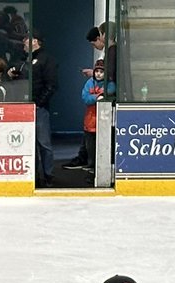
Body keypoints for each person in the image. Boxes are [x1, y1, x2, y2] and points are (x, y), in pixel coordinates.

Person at [8, 31, 57, 187]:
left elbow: (52, 85)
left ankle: (48, 175)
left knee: (43, 143)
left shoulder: (47, 59)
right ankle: (33, 175)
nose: (23, 42)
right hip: (23, 107)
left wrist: (39, 103)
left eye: (26, 39)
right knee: (28, 143)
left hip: (38, 107)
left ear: (35, 41)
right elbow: (18, 76)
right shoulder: (23, 60)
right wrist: (11, 73)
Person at [63, 26, 109, 171]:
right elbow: (86, 97)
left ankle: (90, 161)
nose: (94, 47)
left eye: (93, 43)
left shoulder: (110, 52)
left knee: (94, 139)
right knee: (89, 136)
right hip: (91, 116)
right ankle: (85, 158)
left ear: (99, 38)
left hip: (100, 112)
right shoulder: (105, 53)